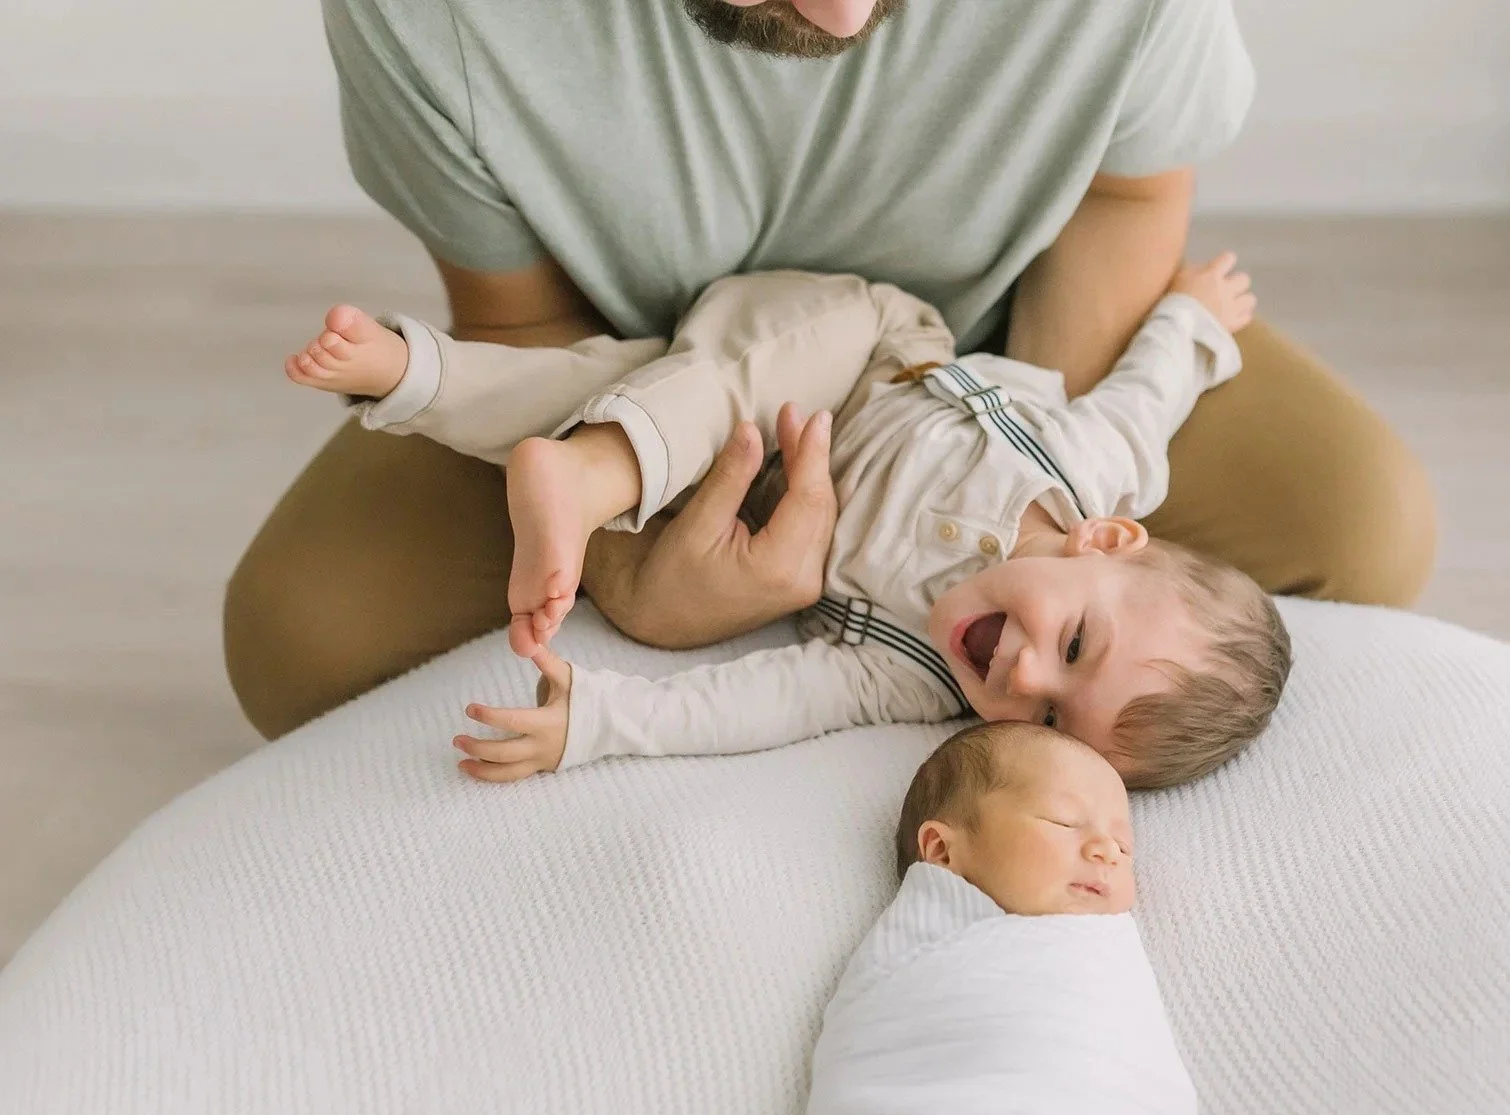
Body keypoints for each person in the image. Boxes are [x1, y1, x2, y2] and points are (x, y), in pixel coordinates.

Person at [225, 0, 1434, 739]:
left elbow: (1126, 202)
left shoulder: (998, 588)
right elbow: (527, 320)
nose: (847, 21)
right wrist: (640, 577)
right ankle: (489, 416)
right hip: (634, 358)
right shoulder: (435, 14)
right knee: (302, 637)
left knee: (1362, 527)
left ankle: (447, 398)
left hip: (994, 354)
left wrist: (1016, 449)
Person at [286, 257, 1289, 787]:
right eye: (1074, 641)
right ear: (1105, 542)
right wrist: (1193, 321)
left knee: (604, 390)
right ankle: (598, 470)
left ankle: (417, 376)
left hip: (734, 469)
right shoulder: (1084, 469)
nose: (1022, 676)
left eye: (1052, 721)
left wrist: (597, 723)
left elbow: (763, 701)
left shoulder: (908, 672)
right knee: (739, 376)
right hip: (851, 352)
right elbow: (1146, 394)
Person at [808, 722, 1207, 1115]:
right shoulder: (923, 953)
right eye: (1063, 823)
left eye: (1124, 846)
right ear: (942, 852)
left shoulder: (1099, 951)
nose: (1105, 850)